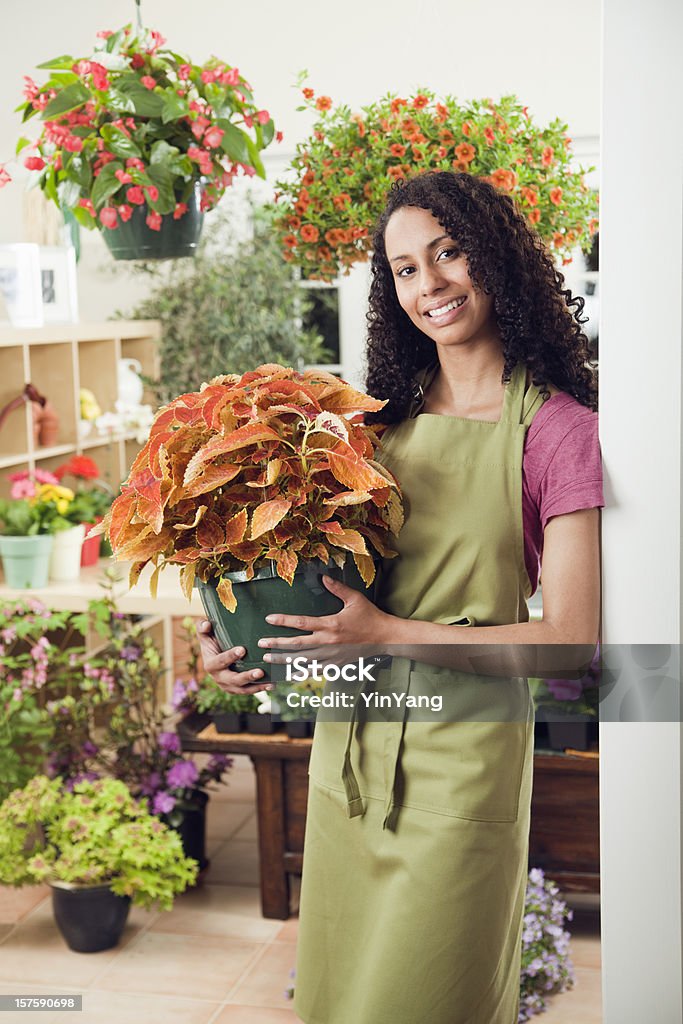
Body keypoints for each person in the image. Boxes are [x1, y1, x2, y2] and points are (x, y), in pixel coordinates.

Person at [197, 170, 603, 1024]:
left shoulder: (557, 429)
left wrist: (383, 632)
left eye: (449, 252)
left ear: (493, 256)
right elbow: (300, 576)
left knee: (431, 997)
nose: (431, 285)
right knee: (342, 1002)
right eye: (406, 269)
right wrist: (232, 645)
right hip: (352, 745)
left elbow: (569, 639)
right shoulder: (372, 424)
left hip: (464, 758)